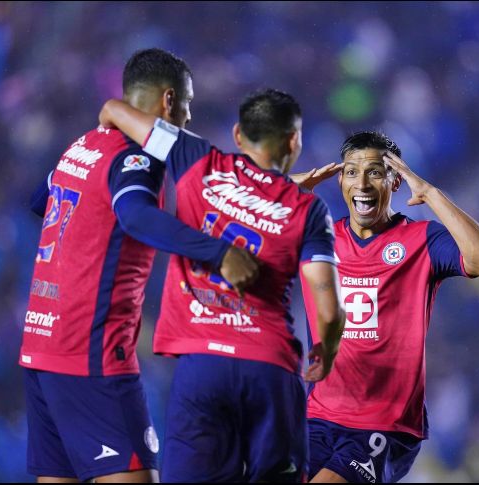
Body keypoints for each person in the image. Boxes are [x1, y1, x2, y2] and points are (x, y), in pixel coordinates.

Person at [21, 48, 258, 483]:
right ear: (169, 102)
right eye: (187, 106)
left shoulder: (82, 145)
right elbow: (135, 215)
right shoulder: (138, 156)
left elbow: (43, 201)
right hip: (91, 356)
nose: (187, 118)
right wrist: (219, 253)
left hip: (42, 349)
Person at [99, 88, 346, 482]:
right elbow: (329, 309)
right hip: (269, 370)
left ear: (237, 135)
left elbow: (116, 110)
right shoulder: (308, 210)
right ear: (294, 141)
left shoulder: (195, 156)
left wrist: (109, 117)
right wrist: (327, 352)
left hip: (202, 366)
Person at [295, 131, 479, 483]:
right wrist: (284, 188)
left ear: (395, 180)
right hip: (317, 416)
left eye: (375, 172)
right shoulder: (319, 235)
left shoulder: (422, 239)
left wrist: (432, 194)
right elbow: (230, 224)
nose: (361, 182)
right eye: (351, 172)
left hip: (383, 425)